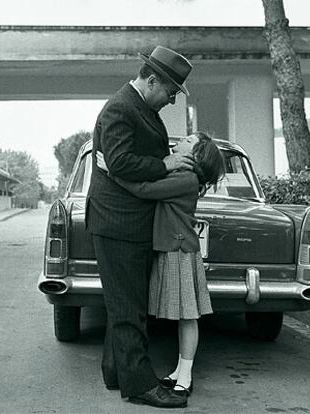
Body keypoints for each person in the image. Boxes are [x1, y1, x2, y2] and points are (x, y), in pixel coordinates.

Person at [85, 45, 194, 409]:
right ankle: (140, 385)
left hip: (125, 222)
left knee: (123, 304)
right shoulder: (120, 108)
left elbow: (117, 163)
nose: (172, 100)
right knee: (130, 307)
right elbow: (120, 162)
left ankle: (116, 372)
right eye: (171, 92)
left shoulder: (137, 107)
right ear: (151, 80)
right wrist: (167, 163)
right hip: (119, 223)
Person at [97, 132, 225, 398]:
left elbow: (144, 190)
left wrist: (112, 170)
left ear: (194, 155)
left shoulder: (185, 178)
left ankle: (186, 375)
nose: (181, 141)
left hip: (178, 249)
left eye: (188, 141)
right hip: (172, 247)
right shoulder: (181, 173)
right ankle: (181, 371)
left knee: (188, 315)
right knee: (182, 315)